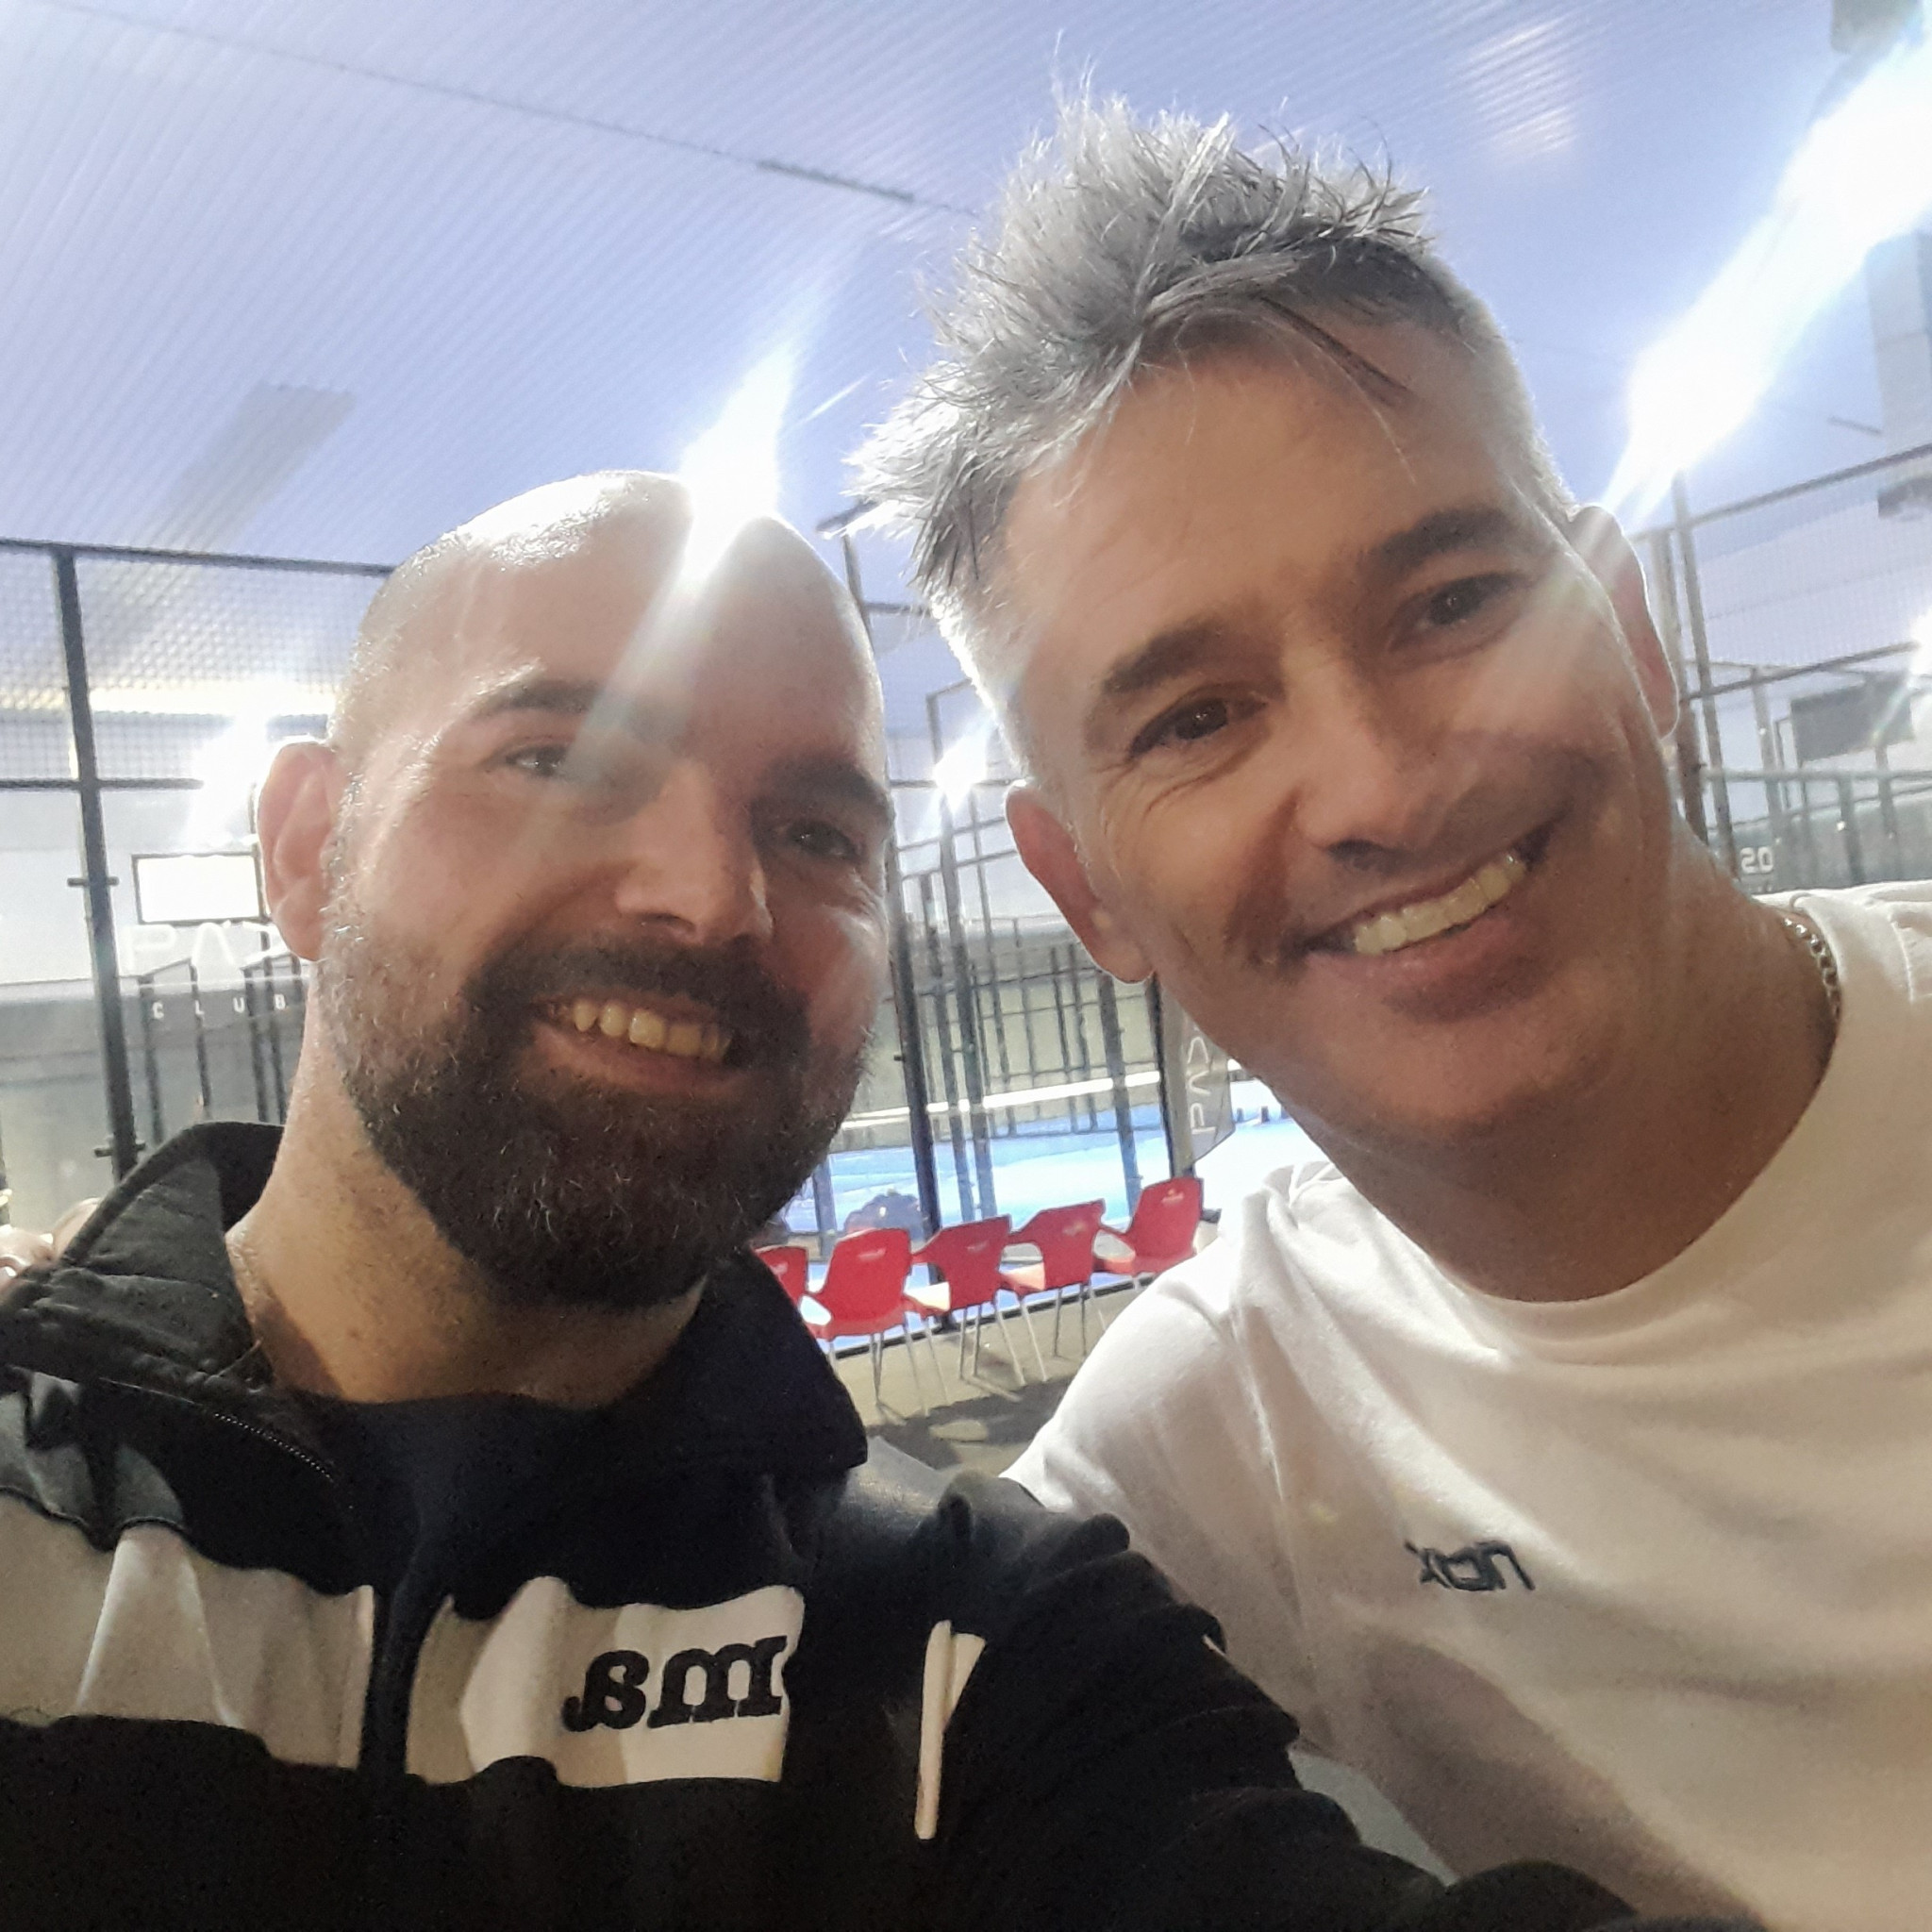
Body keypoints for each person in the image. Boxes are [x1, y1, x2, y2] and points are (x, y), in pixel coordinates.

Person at [0, 474, 1706, 1932]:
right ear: (308, 850)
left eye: (819, 833)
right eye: (557, 758)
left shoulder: (968, 1653)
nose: (712, 896)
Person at [858, 100, 1931, 1931]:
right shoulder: (1224, 1433)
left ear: (1632, 632)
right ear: (1086, 890)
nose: (1378, 783)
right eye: (1196, 719)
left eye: (1450, 603)